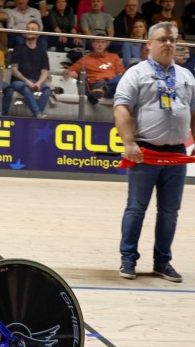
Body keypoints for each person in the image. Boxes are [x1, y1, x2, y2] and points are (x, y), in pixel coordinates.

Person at [114, 21, 195, 283]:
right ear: (149, 44)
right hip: (144, 153)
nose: (170, 44)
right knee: (136, 208)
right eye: (164, 39)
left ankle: (163, 262)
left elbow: (193, 113)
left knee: (170, 212)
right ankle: (128, 259)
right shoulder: (135, 73)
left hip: (176, 154)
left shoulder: (186, 76)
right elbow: (122, 108)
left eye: (173, 39)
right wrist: (129, 143)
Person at [63, 35, 125, 104]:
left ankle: (105, 88)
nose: (100, 45)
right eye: (97, 42)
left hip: (114, 86)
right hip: (97, 85)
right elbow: (68, 71)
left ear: (107, 44)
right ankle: (104, 88)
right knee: (105, 87)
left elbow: (120, 73)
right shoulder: (85, 59)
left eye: (103, 42)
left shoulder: (114, 57)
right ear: (92, 44)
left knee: (126, 75)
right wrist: (70, 73)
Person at [7, 20, 51, 118]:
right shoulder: (18, 48)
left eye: (33, 29)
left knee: (47, 90)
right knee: (25, 88)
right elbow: (14, 70)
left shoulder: (42, 51)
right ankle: (38, 114)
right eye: (28, 29)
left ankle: (37, 115)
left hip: (36, 81)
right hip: (20, 82)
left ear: (38, 34)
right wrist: (27, 81)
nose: (29, 31)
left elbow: (44, 71)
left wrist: (39, 83)